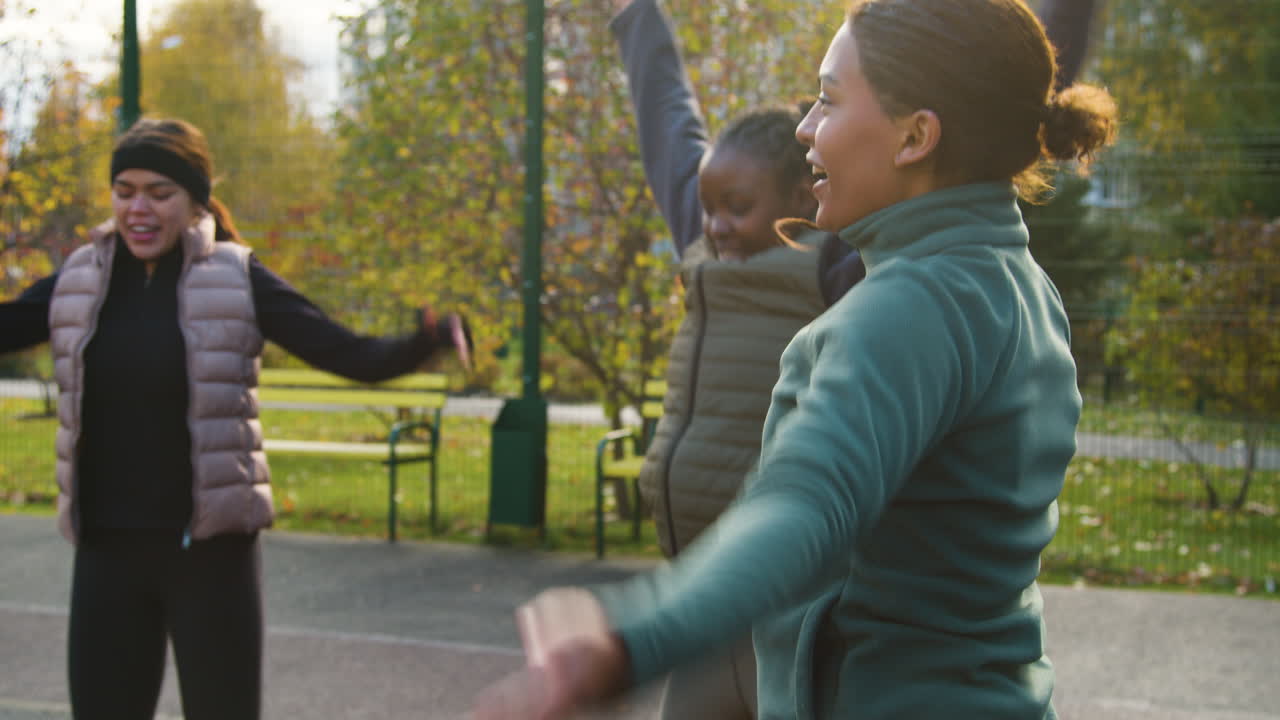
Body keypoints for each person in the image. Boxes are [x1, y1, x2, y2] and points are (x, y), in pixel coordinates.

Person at [475, 0, 1118, 718]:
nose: (806, 127)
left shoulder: (907, 308)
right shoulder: (1014, 284)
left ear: (915, 136)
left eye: (829, 99)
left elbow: (804, 507)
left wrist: (626, 640)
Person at [0, 117, 471, 720]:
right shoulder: (78, 279)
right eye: (125, 191)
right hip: (107, 553)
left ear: (194, 199)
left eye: (159, 193)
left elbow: (346, 353)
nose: (138, 208)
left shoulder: (236, 277)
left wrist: (424, 340)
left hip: (209, 557)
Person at [609, 0, 866, 716]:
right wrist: (634, 15)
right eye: (708, 205)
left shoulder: (833, 267)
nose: (715, 225)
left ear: (800, 198)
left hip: (788, 618)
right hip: (703, 605)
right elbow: (667, 114)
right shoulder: (706, 246)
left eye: (738, 207)